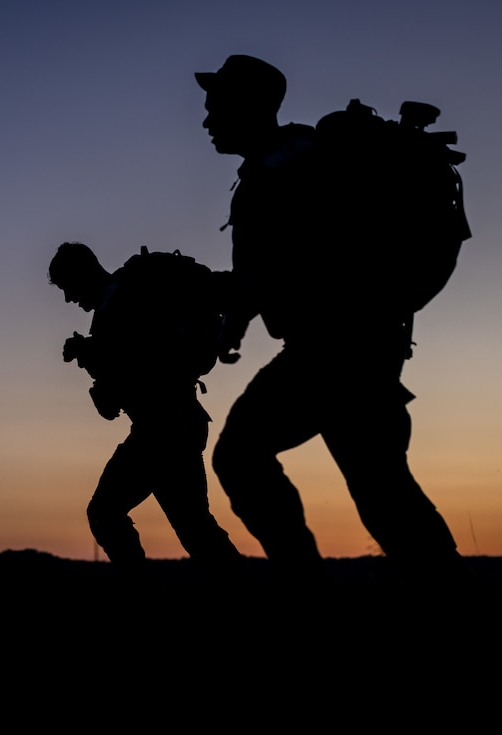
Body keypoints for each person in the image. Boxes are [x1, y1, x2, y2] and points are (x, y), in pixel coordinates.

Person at [195, 55, 470, 584]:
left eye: (215, 108)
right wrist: (234, 322)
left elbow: (287, 268)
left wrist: (229, 306)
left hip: (335, 352)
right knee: (383, 493)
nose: (207, 121)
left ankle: (306, 587)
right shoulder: (284, 161)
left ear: (248, 107)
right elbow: (269, 274)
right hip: (352, 348)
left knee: (242, 457)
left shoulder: (288, 169)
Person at [49, 242, 242, 577]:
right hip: (175, 427)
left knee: (106, 513)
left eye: (68, 288)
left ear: (85, 273)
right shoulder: (110, 315)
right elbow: (122, 390)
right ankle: (251, 597)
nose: (69, 299)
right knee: (196, 530)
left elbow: (144, 365)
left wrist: (93, 357)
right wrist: (94, 366)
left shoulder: (127, 301)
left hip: (164, 431)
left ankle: (145, 601)